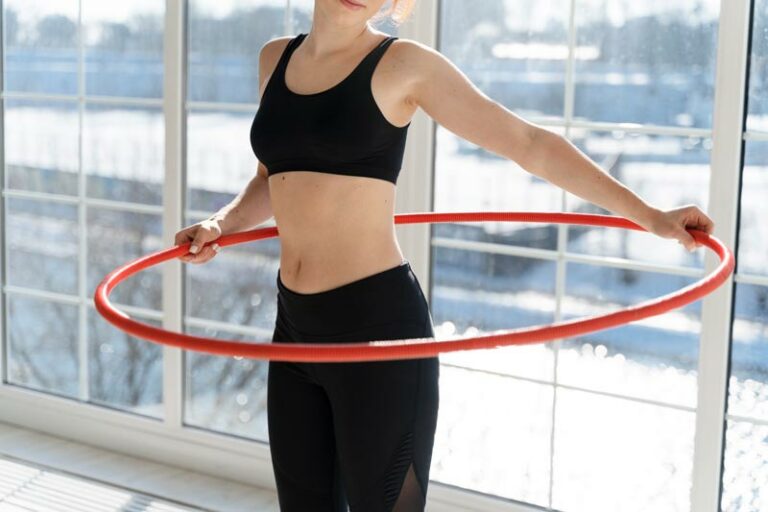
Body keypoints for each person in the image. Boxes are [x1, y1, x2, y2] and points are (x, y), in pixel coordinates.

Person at [175, 0, 715, 510]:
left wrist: (650, 216)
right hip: (293, 328)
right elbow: (274, 175)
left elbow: (528, 143)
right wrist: (222, 222)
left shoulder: (404, 65)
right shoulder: (276, 58)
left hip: (379, 331)